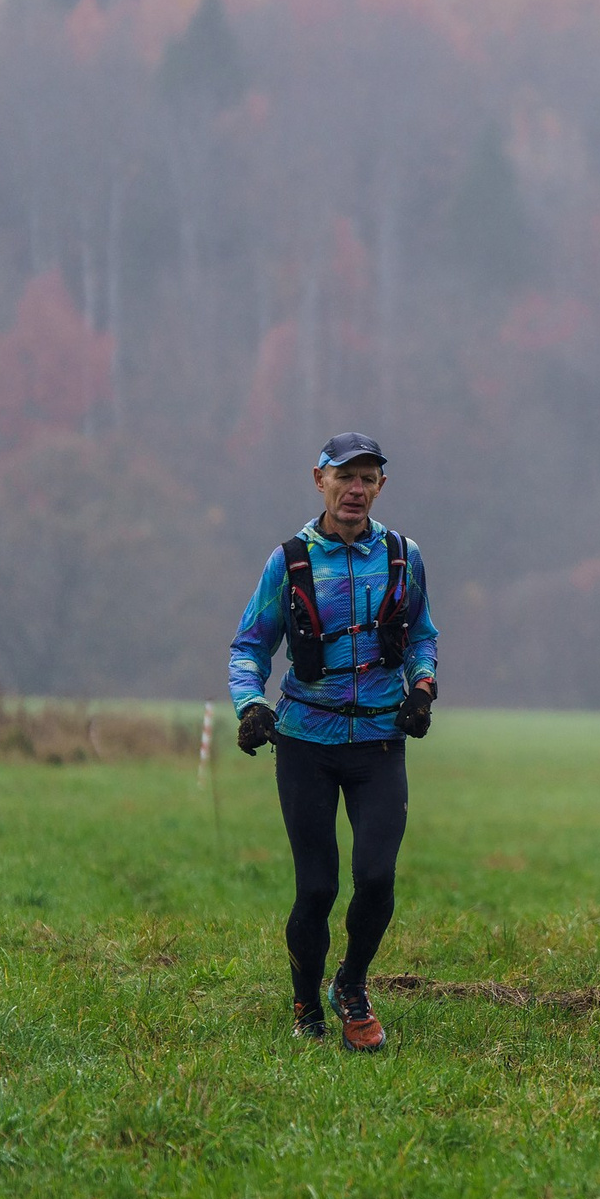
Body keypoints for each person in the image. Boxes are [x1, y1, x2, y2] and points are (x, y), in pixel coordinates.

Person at [228, 432, 440, 1051]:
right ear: (319, 480)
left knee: (376, 877)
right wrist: (251, 706)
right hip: (305, 744)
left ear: (381, 487)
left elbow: (422, 634)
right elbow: (249, 646)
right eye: (345, 476)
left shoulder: (403, 556)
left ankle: (351, 985)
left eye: (368, 478)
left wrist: (422, 687)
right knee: (317, 887)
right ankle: (305, 1003)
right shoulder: (289, 561)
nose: (356, 489)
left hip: (379, 741)